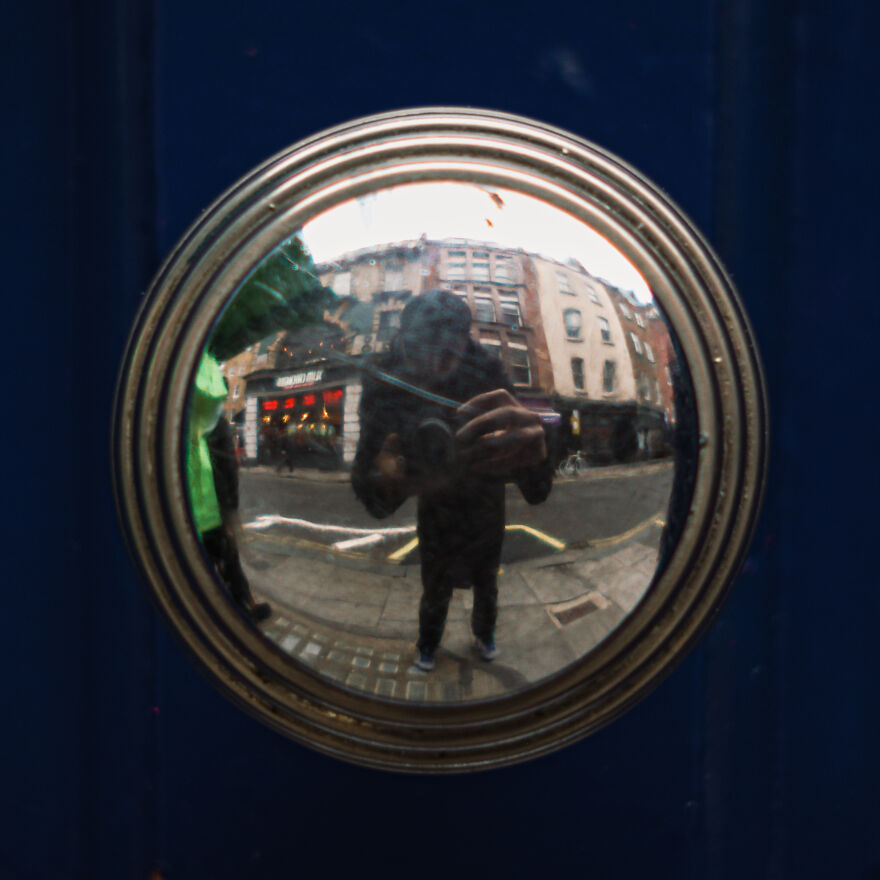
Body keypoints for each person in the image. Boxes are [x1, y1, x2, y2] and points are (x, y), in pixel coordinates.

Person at [351, 290, 552, 670]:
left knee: (487, 584)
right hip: (436, 512)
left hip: (485, 507)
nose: (431, 363)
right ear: (406, 345)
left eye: (445, 352)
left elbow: (537, 492)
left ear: (463, 344)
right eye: (419, 351)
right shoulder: (387, 384)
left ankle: (484, 635)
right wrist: (390, 478)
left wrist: (536, 457)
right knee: (435, 588)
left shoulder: (486, 374)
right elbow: (372, 494)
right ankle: (429, 645)